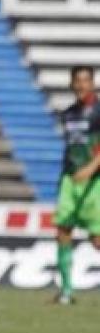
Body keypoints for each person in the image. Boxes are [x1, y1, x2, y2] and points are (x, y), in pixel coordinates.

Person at [53, 66, 100, 305]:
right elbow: (70, 148)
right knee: (62, 232)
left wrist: (91, 168)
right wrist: (64, 179)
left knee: (97, 239)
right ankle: (66, 292)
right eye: (77, 80)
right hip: (70, 180)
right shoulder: (69, 113)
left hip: (94, 182)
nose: (81, 85)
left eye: (85, 80)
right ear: (71, 84)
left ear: (93, 83)